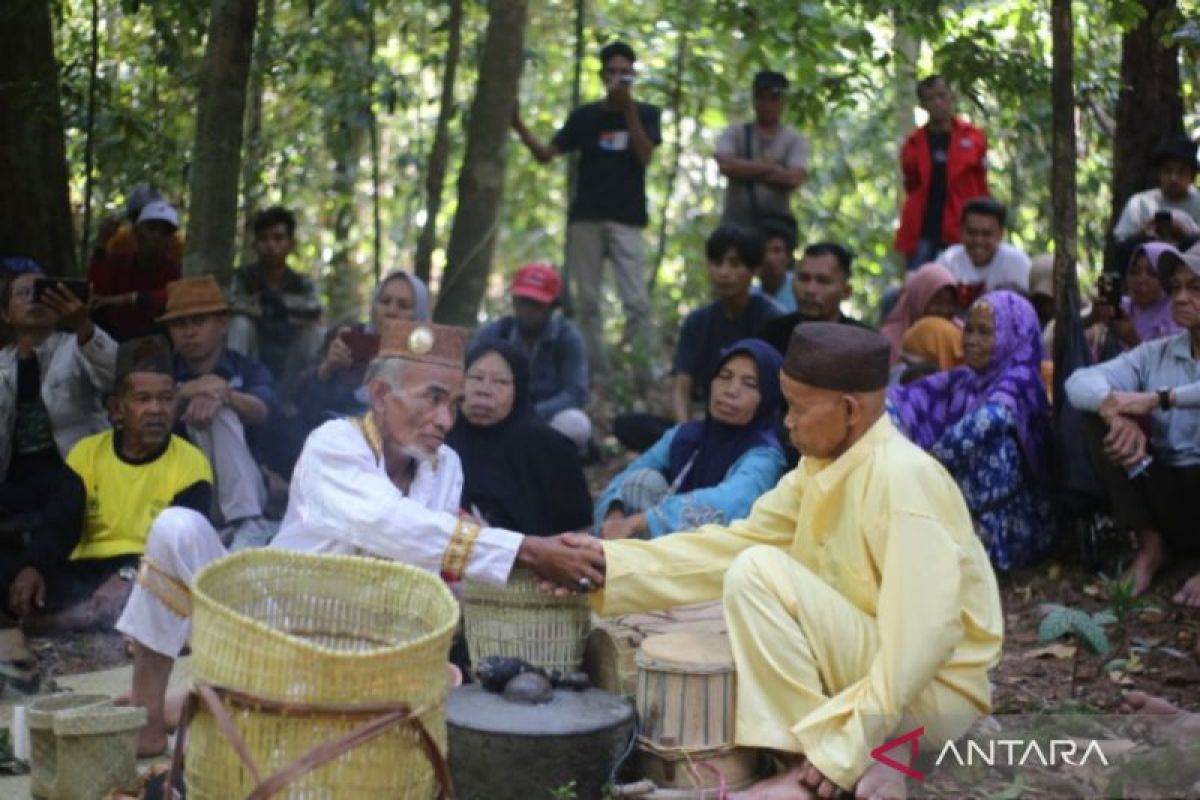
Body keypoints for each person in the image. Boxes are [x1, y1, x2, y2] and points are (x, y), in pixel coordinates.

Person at [544, 323, 1003, 800]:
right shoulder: (819, 467)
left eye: (800, 408)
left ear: (849, 410)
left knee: (758, 572)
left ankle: (826, 763)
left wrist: (844, 750)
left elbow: (921, 641)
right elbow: (733, 544)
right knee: (751, 568)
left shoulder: (903, 477)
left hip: (933, 689)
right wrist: (606, 563)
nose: (787, 421)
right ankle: (840, 755)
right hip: (870, 665)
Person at [115, 319, 605, 755]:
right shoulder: (334, 444)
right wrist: (527, 549)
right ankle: (150, 714)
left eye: (452, 404)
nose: (445, 420)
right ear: (378, 396)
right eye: (432, 398)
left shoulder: (444, 463)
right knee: (177, 529)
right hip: (271, 623)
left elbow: (424, 568)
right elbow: (394, 526)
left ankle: (219, 699)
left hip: (365, 645)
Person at [2, 339, 210, 642]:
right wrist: (32, 567)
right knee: (14, 573)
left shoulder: (192, 464)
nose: (156, 410)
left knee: (169, 591)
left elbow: (182, 550)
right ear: (116, 409)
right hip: (86, 571)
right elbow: (59, 527)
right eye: (143, 399)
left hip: (149, 572)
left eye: (166, 399)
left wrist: (128, 575)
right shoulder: (86, 454)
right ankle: (87, 615)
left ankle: (68, 620)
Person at [511, 41, 662, 383]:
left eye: (626, 73)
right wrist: (518, 125)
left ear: (633, 76)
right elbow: (548, 154)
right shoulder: (585, 117)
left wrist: (629, 111)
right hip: (586, 219)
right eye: (612, 72)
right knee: (588, 303)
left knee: (636, 302)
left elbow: (644, 155)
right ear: (602, 75)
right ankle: (597, 376)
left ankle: (643, 376)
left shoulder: (647, 114)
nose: (619, 79)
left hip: (628, 219)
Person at [1065, 249, 1200, 605]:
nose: (1182, 297)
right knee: (1094, 415)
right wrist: (1114, 413)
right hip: (1170, 490)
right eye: (1177, 287)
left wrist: (1158, 399)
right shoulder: (1157, 352)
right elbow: (1079, 381)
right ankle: (1151, 546)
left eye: (1196, 288)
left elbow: (1159, 399)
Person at [888, 291, 1055, 570]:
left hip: (1015, 523)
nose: (972, 341)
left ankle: (965, 541)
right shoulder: (966, 380)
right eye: (969, 330)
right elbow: (901, 398)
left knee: (994, 444)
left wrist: (920, 465)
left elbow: (987, 421)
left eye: (986, 333)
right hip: (951, 504)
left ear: (1011, 337)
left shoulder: (1023, 380)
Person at [597, 339, 786, 540]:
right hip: (664, 542)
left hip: (722, 554)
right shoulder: (686, 435)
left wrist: (641, 521)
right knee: (641, 482)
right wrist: (614, 514)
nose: (731, 390)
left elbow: (732, 502)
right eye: (724, 376)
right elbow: (629, 474)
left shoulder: (765, 454)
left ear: (768, 396)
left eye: (749, 384)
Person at [160, 276, 278, 550]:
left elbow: (264, 409)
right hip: (182, 496)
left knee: (219, 413)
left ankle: (249, 523)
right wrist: (185, 392)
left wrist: (225, 396)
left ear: (222, 323)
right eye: (180, 324)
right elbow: (140, 423)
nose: (189, 332)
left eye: (199, 321)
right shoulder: (161, 373)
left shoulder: (246, 368)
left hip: (245, 493)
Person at [0, 269, 117, 518]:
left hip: (75, 473)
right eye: (23, 293)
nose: (34, 299)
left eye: (43, 292)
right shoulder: (2, 364)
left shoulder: (78, 346)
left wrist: (84, 326)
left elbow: (117, 377)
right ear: (5, 313)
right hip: (13, 480)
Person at [447, 340, 592, 536]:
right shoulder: (440, 436)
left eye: (501, 382)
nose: (484, 390)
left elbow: (578, 526)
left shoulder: (549, 449)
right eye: (476, 377)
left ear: (519, 390)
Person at [671, 225, 785, 425]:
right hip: (710, 420)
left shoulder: (774, 321)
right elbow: (681, 387)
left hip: (756, 426)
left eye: (735, 264)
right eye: (716, 263)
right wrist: (683, 432)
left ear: (754, 270)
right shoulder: (697, 321)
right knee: (631, 426)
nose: (723, 273)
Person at [473, 264, 592, 451]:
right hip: (495, 414)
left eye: (536, 304)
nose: (527, 309)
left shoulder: (567, 338)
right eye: (523, 301)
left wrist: (531, 413)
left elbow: (574, 393)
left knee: (575, 424)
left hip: (544, 419)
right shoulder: (496, 333)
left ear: (552, 307)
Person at [301, 269, 431, 427]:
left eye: (403, 306)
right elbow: (300, 405)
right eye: (384, 301)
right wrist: (327, 369)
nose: (391, 311)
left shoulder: (428, 356)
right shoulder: (348, 338)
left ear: (419, 313)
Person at [227, 206, 324, 396]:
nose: (271, 245)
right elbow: (232, 305)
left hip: (290, 364)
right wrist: (275, 313)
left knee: (315, 333)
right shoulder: (244, 277)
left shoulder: (301, 283)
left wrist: (277, 307)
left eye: (278, 238)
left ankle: (309, 395)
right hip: (254, 357)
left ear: (290, 244)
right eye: (264, 239)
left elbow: (315, 311)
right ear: (255, 244)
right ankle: (234, 388)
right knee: (240, 325)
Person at [895, 75, 989, 271]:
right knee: (918, 285)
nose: (938, 103)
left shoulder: (973, 137)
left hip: (963, 229)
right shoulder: (913, 144)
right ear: (922, 105)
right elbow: (911, 184)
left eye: (942, 96)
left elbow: (980, 183)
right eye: (930, 99)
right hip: (923, 231)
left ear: (951, 97)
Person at [714, 71, 809, 229]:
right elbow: (725, 165)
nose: (767, 105)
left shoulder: (794, 139)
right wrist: (772, 168)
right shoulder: (736, 132)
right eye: (762, 98)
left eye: (773, 98)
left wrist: (744, 169)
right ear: (754, 101)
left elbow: (794, 179)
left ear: (783, 102)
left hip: (776, 229)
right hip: (735, 226)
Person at [89, 199, 183, 341]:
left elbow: (170, 296)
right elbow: (98, 293)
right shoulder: (121, 262)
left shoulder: (173, 269)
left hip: (152, 342)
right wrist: (101, 244)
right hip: (114, 337)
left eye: (166, 232)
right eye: (152, 229)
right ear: (137, 232)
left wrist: (127, 299)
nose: (158, 236)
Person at [756, 241, 871, 356]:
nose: (810, 290)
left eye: (823, 281)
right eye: (803, 278)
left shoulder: (863, 344)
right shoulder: (772, 334)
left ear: (846, 292)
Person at [1113, 135, 1200, 267]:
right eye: (1168, 171)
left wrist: (1185, 234)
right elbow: (1121, 242)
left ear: (1192, 177)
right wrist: (1143, 233)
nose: (1173, 179)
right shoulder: (1140, 202)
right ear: (1159, 174)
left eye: (1181, 172)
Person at [937, 197, 1032, 304]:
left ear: (1001, 234)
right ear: (962, 231)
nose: (978, 240)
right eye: (972, 232)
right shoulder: (949, 260)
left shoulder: (1017, 263)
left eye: (986, 234)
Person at [879, 261, 959, 364]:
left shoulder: (961, 334)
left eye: (950, 303)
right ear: (918, 300)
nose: (944, 310)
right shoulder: (889, 341)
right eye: (937, 303)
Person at [752, 213, 799, 312]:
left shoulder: (801, 292)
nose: (769, 258)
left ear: (789, 257)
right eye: (763, 250)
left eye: (777, 251)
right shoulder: (749, 296)